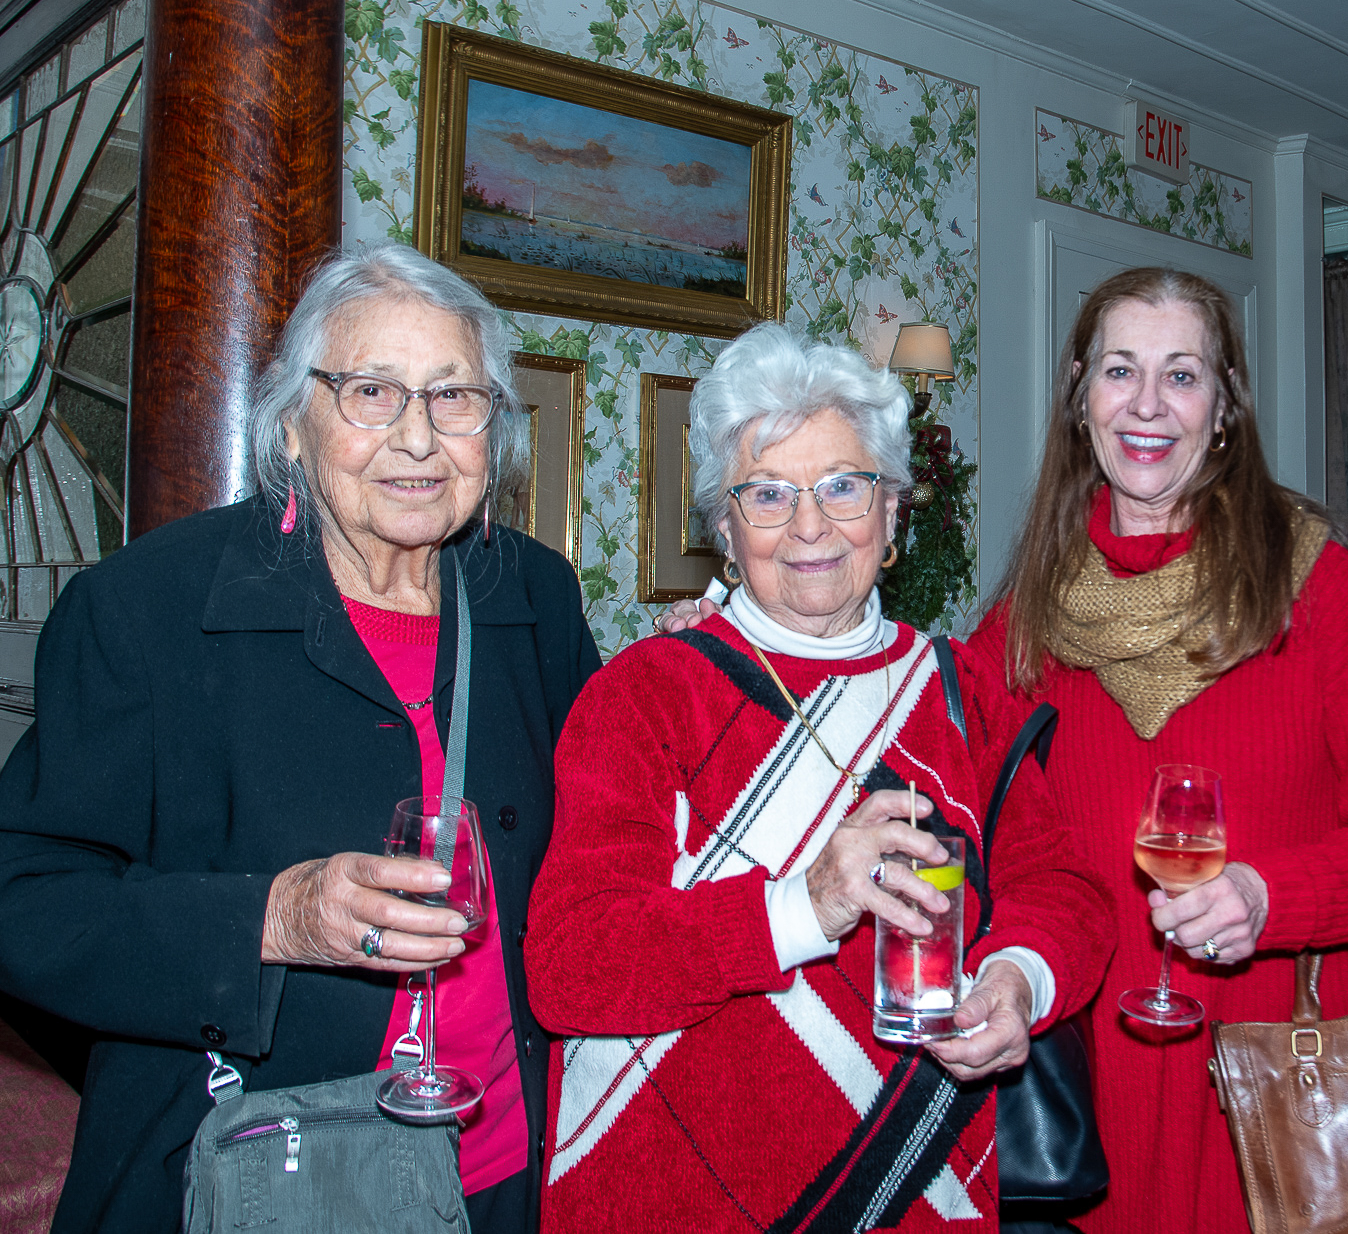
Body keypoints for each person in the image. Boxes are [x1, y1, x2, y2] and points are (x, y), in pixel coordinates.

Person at [0, 242, 600, 1232]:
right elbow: (24, 897)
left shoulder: (531, 594)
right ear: (293, 423)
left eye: (454, 397)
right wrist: (269, 922)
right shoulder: (148, 608)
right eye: (371, 391)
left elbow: (605, 823)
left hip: (501, 1172)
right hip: (253, 1177)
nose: (418, 437)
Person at [524, 323, 1112, 1232]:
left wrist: (1021, 978)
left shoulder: (962, 691)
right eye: (768, 494)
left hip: (916, 1189)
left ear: (892, 512)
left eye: (843, 486)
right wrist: (806, 905)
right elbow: (571, 965)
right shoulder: (644, 695)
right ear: (724, 527)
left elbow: (1063, 887)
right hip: (671, 1197)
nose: (810, 525)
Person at [969, 266, 1348, 1234]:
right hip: (1092, 1066)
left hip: (1281, 1059)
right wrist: (737, 640)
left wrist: (1270, 896)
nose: (1147, 404)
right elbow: (933, 761)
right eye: (1119, 371)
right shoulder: (1026, 607)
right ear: (1078, 395)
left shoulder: (1315, 582)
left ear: (1225, 405)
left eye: (1182, 375)